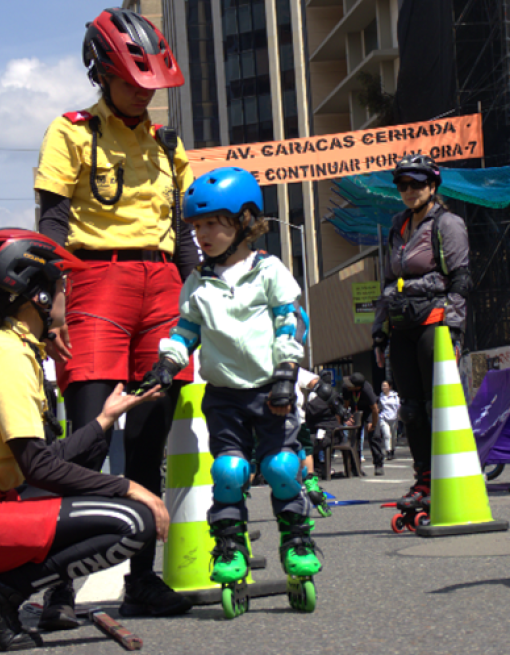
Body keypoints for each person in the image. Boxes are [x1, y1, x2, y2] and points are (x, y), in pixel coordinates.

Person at [0, 229, 170, 651]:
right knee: (135, 522)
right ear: (37, 295)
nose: (68, 295)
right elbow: (41, 468)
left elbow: (41, 458)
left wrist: (103, 420)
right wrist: (131, 486)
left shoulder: (2, 348)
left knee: (110, 508)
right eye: (62, 286)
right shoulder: (9, 355)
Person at [34, 7, 198, 625]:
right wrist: (52, 302)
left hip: (162, 286)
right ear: (103, 74)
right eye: (135, 82)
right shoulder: (71, 131)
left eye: (153, 84)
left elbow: (182, 233)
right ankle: (56, 587)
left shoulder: (170, 146)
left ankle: (141, 580)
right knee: (89, 439)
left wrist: (196, 296)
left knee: (150, 436)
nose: (146, 94)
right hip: (93, 282)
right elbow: (51, 224)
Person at [142, 167, 322, 616]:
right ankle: (229, 547)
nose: (201, 234)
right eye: (196, 227)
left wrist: (286, 370)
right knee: (227, 472)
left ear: (244, 220)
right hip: (223, 395)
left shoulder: (268, 270)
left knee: (281, 466)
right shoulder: (199, 282)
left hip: (271, 388)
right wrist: (167, 362)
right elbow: (186, 331)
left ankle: (296, 542)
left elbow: (290, 321)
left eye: (211, 224)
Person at [372, 153, 470, 514]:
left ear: (432, 185)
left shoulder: (447, 224)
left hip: (435, 319)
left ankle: (450, 476)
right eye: (402, 185)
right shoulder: (398, 225)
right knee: (410, 409)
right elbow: (385, 282)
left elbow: (460, 279)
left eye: (416, 183)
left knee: (435, 404)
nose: (409, 190)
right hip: (401, 323)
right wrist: (379, 333)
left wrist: (454, 329)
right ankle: (424, 479)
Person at [294, 369, 332, 517]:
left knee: (253, 460)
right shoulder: (288, 364)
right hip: (294, 418)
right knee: (304, 450)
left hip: (262, 419)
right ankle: (312, 486)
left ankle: (235, 501)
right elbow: (319, 386)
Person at [342, 373, 383, 475]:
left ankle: (378, 465)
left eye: (350, 384)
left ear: (357, 387)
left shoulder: (366, 390)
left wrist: (372, 424)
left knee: (374, 436)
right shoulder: (346, 387)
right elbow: (345, 405)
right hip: (355, 410)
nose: (347, 384)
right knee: (354, 438)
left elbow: (375, 409)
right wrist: (347, 417)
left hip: (370, 411)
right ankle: (355, 467)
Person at [378, 381, 401, 460]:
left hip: (394, 418)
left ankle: (392, 451)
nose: (383, 387)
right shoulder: (380, 396)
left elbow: (399, 406)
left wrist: (399, 415)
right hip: (383, 418)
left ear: (389, 387)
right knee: (387, 435)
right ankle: (388, 452)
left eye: (385, 386)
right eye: (382, 386)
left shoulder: (395, 396)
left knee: (394, 437)